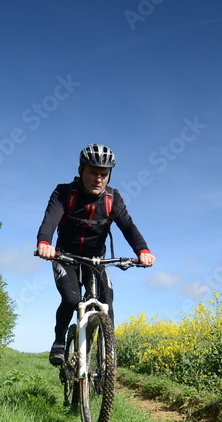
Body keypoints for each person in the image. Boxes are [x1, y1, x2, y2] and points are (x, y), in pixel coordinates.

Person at [36, 143, 155, 365]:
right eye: (93, 172)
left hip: (96, 259)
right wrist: (45, 243)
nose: (98, 179)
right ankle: (60, 340)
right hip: (66, 256)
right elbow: (50, 220)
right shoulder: (64, 192)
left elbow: (128, 226)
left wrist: (142, 250)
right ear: (81, 171)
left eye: (104, 174)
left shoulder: (113, 198)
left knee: (107, 302)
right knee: (71, 299)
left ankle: (105, 357)